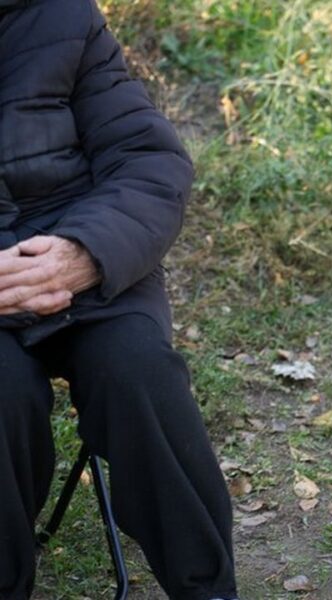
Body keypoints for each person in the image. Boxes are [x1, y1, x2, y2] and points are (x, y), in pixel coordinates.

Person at [0, 0, 238, 598]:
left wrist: (86, 252)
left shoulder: (61, 16)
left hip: (83, 252)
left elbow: (147, 159)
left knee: (140, 373)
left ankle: (208, 590)